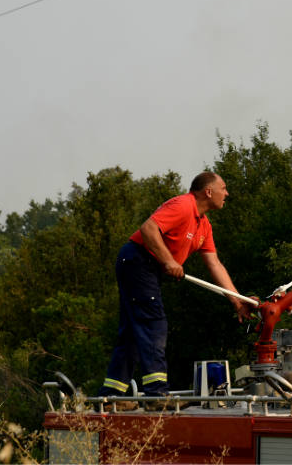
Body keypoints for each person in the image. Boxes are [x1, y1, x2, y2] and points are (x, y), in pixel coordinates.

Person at [98, 171, 251, 408]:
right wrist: (169, 261)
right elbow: (149, 228)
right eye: (224, 188)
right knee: (154, 324)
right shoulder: (183, 205)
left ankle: (110, 397)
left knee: (131, 333)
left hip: (144, 267)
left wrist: (237, 302)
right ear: (208, 191)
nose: (227, 193)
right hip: (138, 261)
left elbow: (214, 264)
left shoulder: (204, 226)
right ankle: (157, 395)